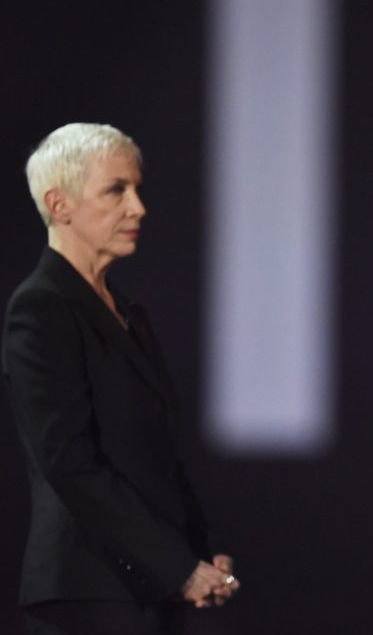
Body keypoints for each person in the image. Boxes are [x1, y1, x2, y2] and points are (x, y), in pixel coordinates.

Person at [2, 124, 240, 635]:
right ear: (59, 205)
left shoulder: (129, 313)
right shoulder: (41, 309)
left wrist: (201, 545)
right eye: (116, 190)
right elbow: (71, 463)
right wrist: (177, 567)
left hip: (145, 589)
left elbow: (154, 454)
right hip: (87, 593)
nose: (138, 207)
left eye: (136, 189)